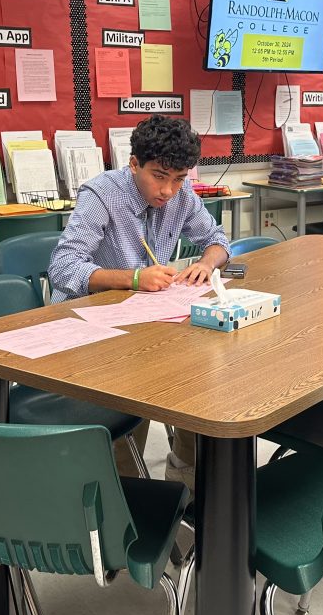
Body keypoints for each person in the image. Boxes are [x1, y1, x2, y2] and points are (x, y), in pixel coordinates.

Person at [48, 115, 231, 487]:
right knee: (135, 392)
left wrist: (205, 263)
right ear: (134, 164)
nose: (168, 190)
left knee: (200, 380)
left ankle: (187, 479)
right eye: (159, 176)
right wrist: (133, 278)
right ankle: (125, 496)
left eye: (179, 179)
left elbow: (217, 238)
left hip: (147, 322)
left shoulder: (181, 195)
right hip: (85, 326)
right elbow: (63, 268)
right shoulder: (101, 195)